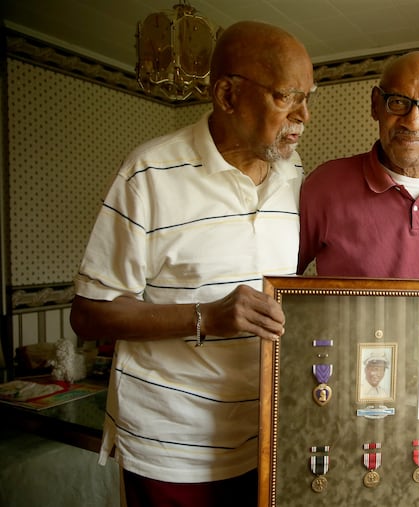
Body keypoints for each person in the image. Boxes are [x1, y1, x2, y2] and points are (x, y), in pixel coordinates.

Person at [69, 21, 315, 507]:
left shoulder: (295, 175)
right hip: (171, 450)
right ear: (226, 94)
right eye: (287, 97)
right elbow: (88, 313)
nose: (303, 116)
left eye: (309, 96)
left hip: (266, 439)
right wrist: (206, 316)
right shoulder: (149, 173)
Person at [298, 50, 419, 278]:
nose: (414, 122)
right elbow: (280, 277)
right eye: (398, 102)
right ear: (375, 104)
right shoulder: (324, 185)